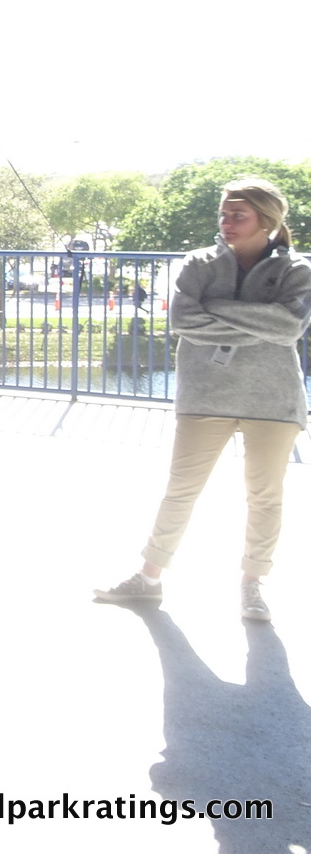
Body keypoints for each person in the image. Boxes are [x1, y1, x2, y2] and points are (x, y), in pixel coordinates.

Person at [95, 178, 311, 622]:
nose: (227, 222)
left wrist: (215, 311)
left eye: (238, 215)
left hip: (273, 399)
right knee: (181, 491)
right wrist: (258, 323)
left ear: (266, 219)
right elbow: (183, 320)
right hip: (204, 395)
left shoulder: (297, 270)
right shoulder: (197, 263)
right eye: (224, 214)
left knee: (265, 496)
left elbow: (289, 327)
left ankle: (252, 586)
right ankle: (149, 579)